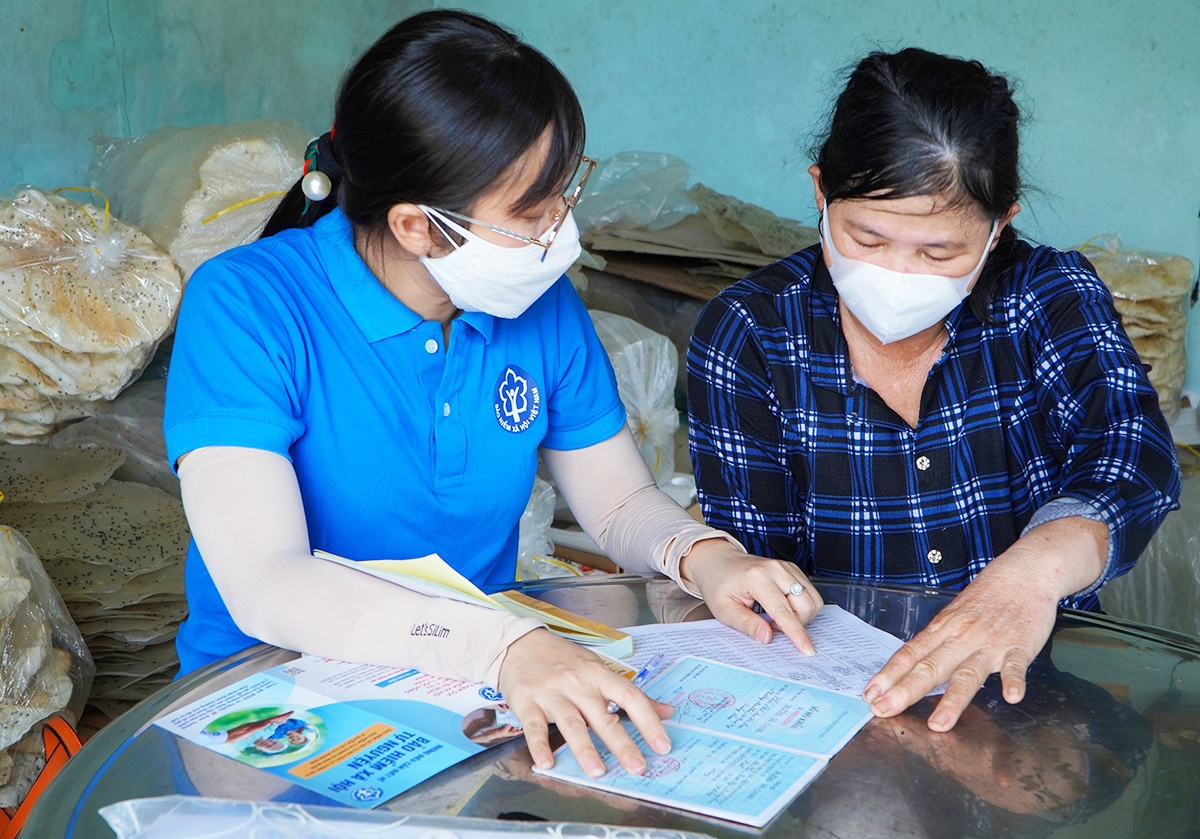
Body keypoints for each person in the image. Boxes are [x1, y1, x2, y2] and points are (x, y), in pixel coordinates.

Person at [164, 10, 816, 780]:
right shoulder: (247, 307)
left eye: (564, 195)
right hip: (276, 702)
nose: (563, 233)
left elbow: (615, 505)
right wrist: (500, 643)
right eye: (532, 215)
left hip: (475, 695)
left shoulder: (537, 306)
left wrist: (705, 558)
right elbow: (269, 581)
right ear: (416, 225)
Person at [687, 47, 1181, 733]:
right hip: (838, 701)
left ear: (998, 226)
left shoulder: (1046, 297)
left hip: (1038, 697)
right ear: (820, 192)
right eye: (866, 235)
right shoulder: (752, 332)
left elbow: (1133, 454)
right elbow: (756, 570)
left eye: (940, 252)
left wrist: (1033, 570)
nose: (897, 274)